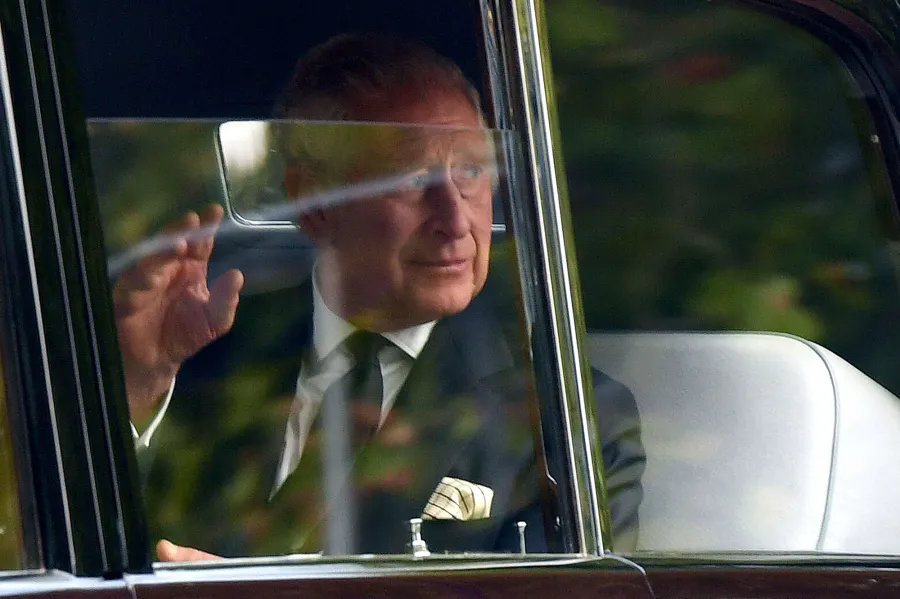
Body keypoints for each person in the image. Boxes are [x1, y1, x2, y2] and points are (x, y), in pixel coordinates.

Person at [114, 33, 644, 560]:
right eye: (412, 176)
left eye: (472, 171)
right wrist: (139, 382)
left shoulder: (565, 418)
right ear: (314, 201)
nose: (456, 220)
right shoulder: (203, 348)